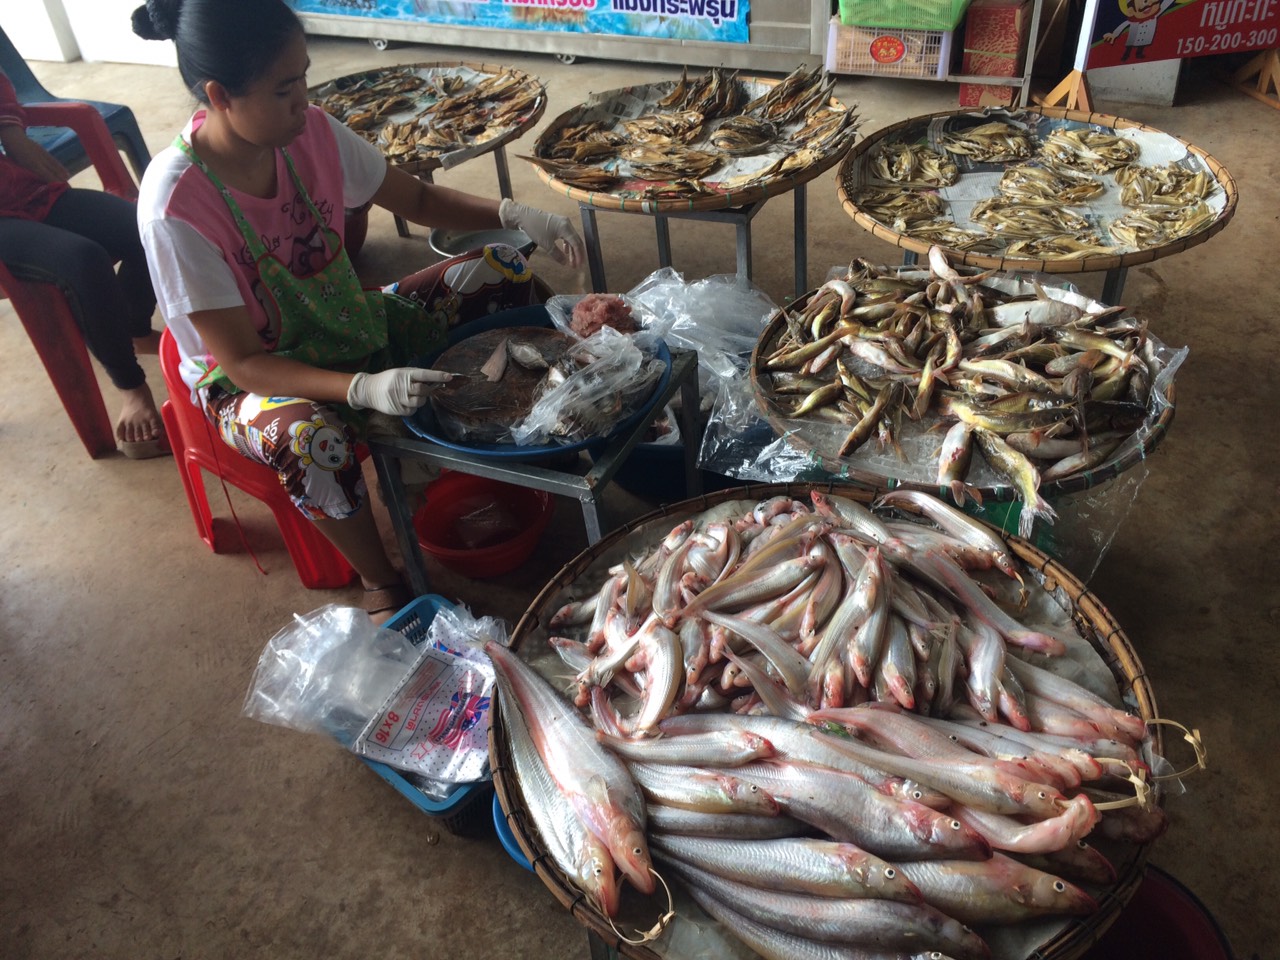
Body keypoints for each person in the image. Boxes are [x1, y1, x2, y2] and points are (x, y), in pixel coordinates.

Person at [130, 0, 586, 621]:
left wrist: (510, 215)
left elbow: (418, 197)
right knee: (311, 439)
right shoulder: (177, 205)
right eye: (285, 88)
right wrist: (361, 387)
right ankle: (382, 576)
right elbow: (241, 362)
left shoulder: (308, 131)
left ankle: (509, 439)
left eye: (305, 77)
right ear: (220, 95)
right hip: (257, 379)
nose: (303, 101)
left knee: (500, 269)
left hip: (350, 322)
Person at [0, 68, 166, 457]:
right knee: (84, 259)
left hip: (24, 191)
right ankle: (131, 389)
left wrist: (10, 130)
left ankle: (132, 328)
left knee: (152, 227)